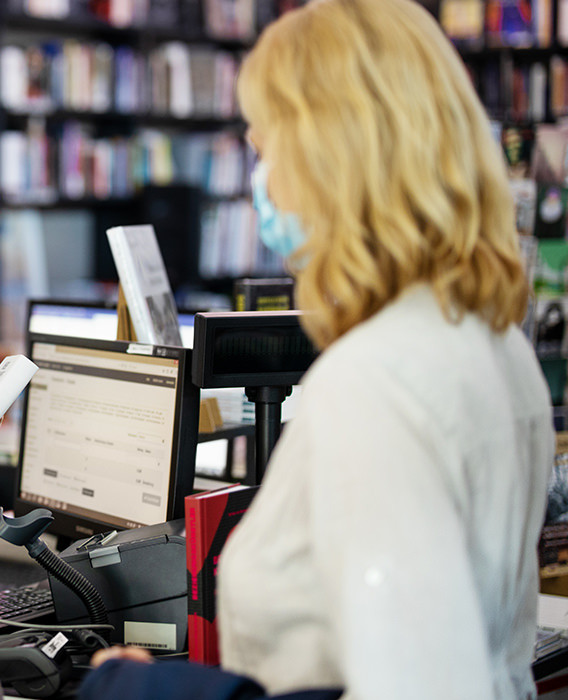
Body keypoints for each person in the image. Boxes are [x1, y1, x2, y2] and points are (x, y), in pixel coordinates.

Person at [82, 0, 550, 698]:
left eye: (267, 148)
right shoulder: (495, 343)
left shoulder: (374, 383)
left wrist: (143, 693)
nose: (260, 179)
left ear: (329, 158)